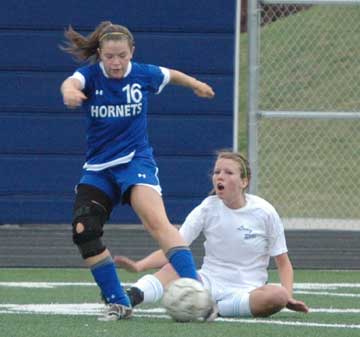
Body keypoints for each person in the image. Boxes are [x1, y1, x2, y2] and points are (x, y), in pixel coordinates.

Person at [60, 21, 215, 321]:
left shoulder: (143, 73)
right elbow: (71, 82)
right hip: (99, 170)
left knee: (158, 222)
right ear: (101, 56)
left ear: (132, 52)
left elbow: (172, 75)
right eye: (110, 57)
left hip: (135, 163)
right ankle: (119, 301)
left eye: (122, 56)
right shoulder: (90, 76)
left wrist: (196, 85)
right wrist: (69, 92)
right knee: (84, 231)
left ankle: (199, 294)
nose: (116, 63)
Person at [115, 150, 309, 319]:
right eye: (217, 172)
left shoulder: (265, 212)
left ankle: (216, 309)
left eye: (228, 172)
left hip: (245, 292)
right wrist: (139, 265)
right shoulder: (207, 208)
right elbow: (173, 247)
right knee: (173, 266)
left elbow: (283, 263)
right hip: (206, 283)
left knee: (278, 296)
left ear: (244, 181)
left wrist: (288, 297)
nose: (219, 177)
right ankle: (129, 299)